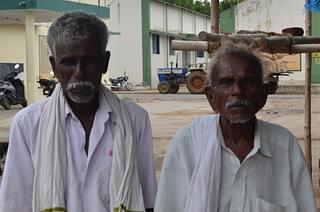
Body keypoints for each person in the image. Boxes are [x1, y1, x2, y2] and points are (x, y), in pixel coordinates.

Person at [0, 11, 156, 212]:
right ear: (54, 66)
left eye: (89, 60)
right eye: (68, 62)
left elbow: (147, 199)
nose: (79, 72)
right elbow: (15, 203)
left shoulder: (135, 120)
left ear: (105, 62)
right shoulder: (29, 124)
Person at [155, 43, 316, 212]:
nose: (237, 91)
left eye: (248, 82)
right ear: (210, 96)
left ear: (263, 95)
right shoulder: (186, 145)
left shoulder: (284, 145)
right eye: (226, 82)